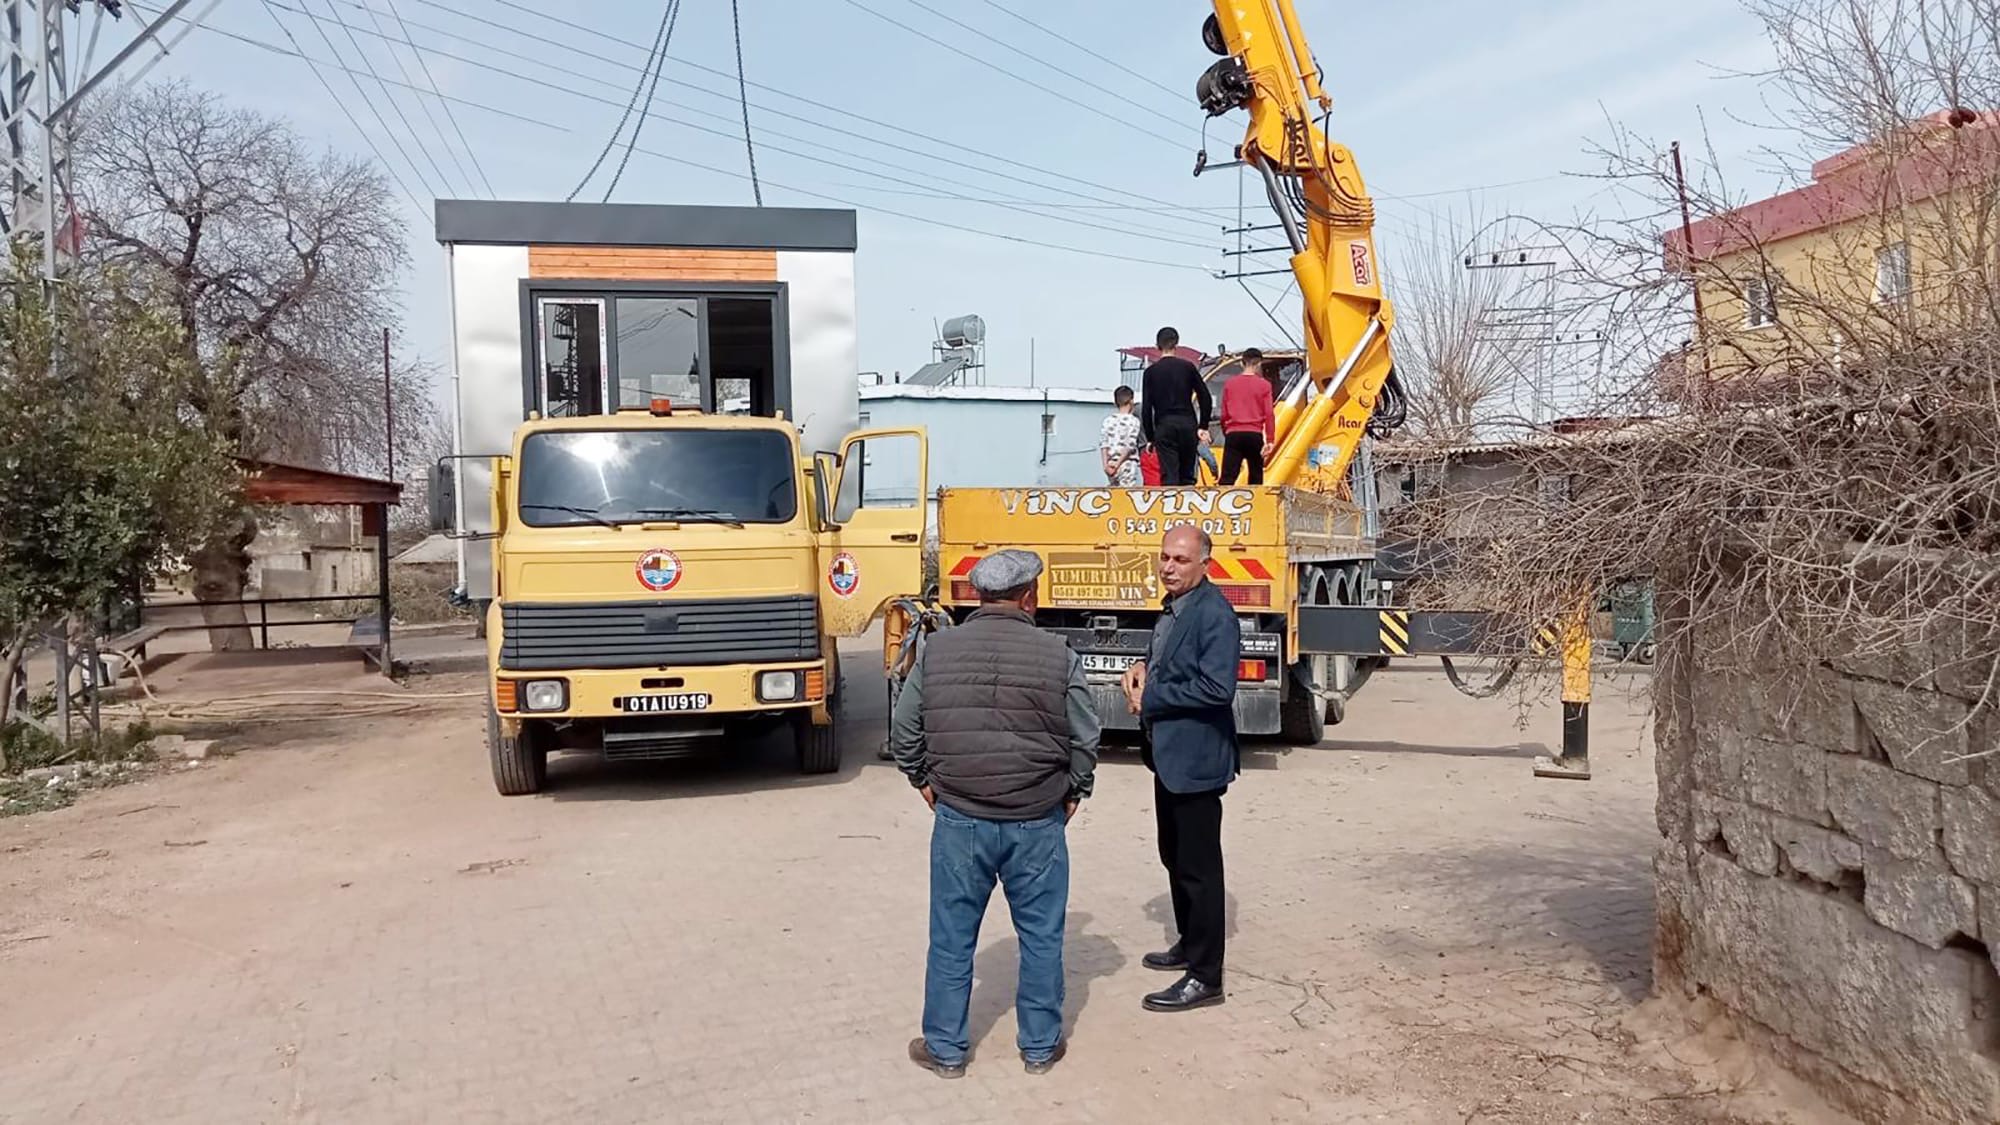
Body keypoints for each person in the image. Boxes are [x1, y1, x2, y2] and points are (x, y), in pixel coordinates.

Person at [891, 549, 1101, 1078]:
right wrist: (1075, 790)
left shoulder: (937, 650)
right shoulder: (1058, 654)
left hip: (960, 819)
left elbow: (904, 730)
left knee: (952, 937)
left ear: (977, 596)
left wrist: (922, 780)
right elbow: (1085, 735)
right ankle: (1038, 1047)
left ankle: (945, 1050)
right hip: (1038, 820)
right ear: (1029, 596)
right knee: (1042, 937)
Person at [1119, 526, 1239, 1012]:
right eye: (1164, 557)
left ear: (1205, 564)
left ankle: (1206, 976)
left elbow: (1217, 690)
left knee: (1199, 870)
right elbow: (1168, 664)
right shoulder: (1173, 609)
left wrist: (1152, 698)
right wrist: (1141, 671)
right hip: (1167, 759)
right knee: (1174, 857)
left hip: (1196, 762)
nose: (1168, 566)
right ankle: (1190, 944)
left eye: (1180, 560)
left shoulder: (1214, 615)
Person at [1139, 326, 1212, 486]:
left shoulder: (1150, 373)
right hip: (1187, 425)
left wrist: (1150, 437)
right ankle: (1187, 509)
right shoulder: (1188, 367)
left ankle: (1172, 508)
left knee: (1169, 476)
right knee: (1187, 476)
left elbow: (1146, 409)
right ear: (1176, 344)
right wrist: (1203, 426)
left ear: (1157, 346)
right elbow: (1205, 396)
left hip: (1164, 427)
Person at [1219, 347, 1277, 485]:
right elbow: (1269, 413)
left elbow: (1224, 414)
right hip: (1254, 434)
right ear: (1259, 364)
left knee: (1228, 477)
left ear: (1241, 363)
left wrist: (1226, 431)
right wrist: (1270, 439)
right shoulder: (1265, 385)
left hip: (1233, 434)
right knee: (1256, 477)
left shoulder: (1229, 384)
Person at [1100, 386, 1145, 487]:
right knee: (1126, 496)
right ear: (1131, 401)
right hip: (1127, 463)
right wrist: (1119, 463)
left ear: (1115, 402)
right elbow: (1130, 446)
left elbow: (1104, 444)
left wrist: (1106, 465)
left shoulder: (1108, 420)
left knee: (1114, 495)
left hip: (1110, 463)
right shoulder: (1134, 421)